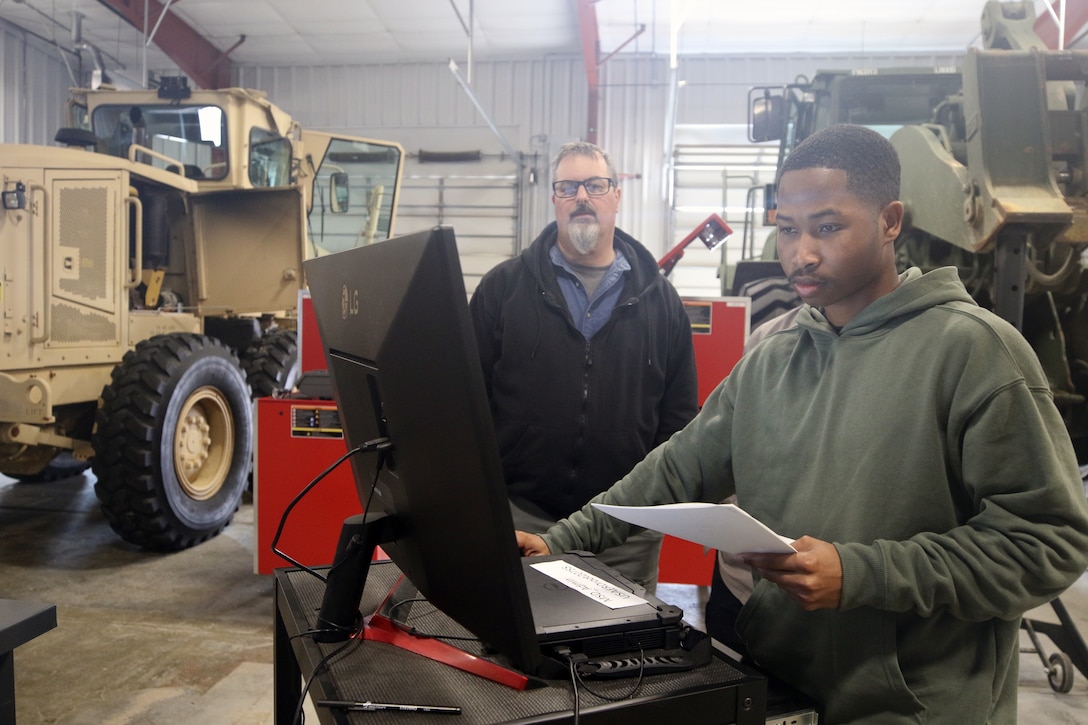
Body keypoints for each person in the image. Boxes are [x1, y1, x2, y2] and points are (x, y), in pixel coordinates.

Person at [516, 125, 1088, 723]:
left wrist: (865, 574)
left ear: (890, 220)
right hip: (782, 688)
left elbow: (1047, 542)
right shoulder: (774, 356)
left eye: (828, 227)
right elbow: (677, 467)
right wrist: (564, 539)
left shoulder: (974, 353)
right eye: (788, 230)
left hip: (912, 704)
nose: (801, 253)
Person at [470, 140, 698, 592]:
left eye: (595, 185)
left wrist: (646, 504)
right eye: (568, 186)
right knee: (509, 653)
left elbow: (678, 419)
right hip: (520, 518)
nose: (581, 197)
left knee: (620, 657)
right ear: (554, 200)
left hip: (623, 532)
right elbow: (466, 401)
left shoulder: (661, 302)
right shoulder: (503, 289)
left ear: (616, 196)